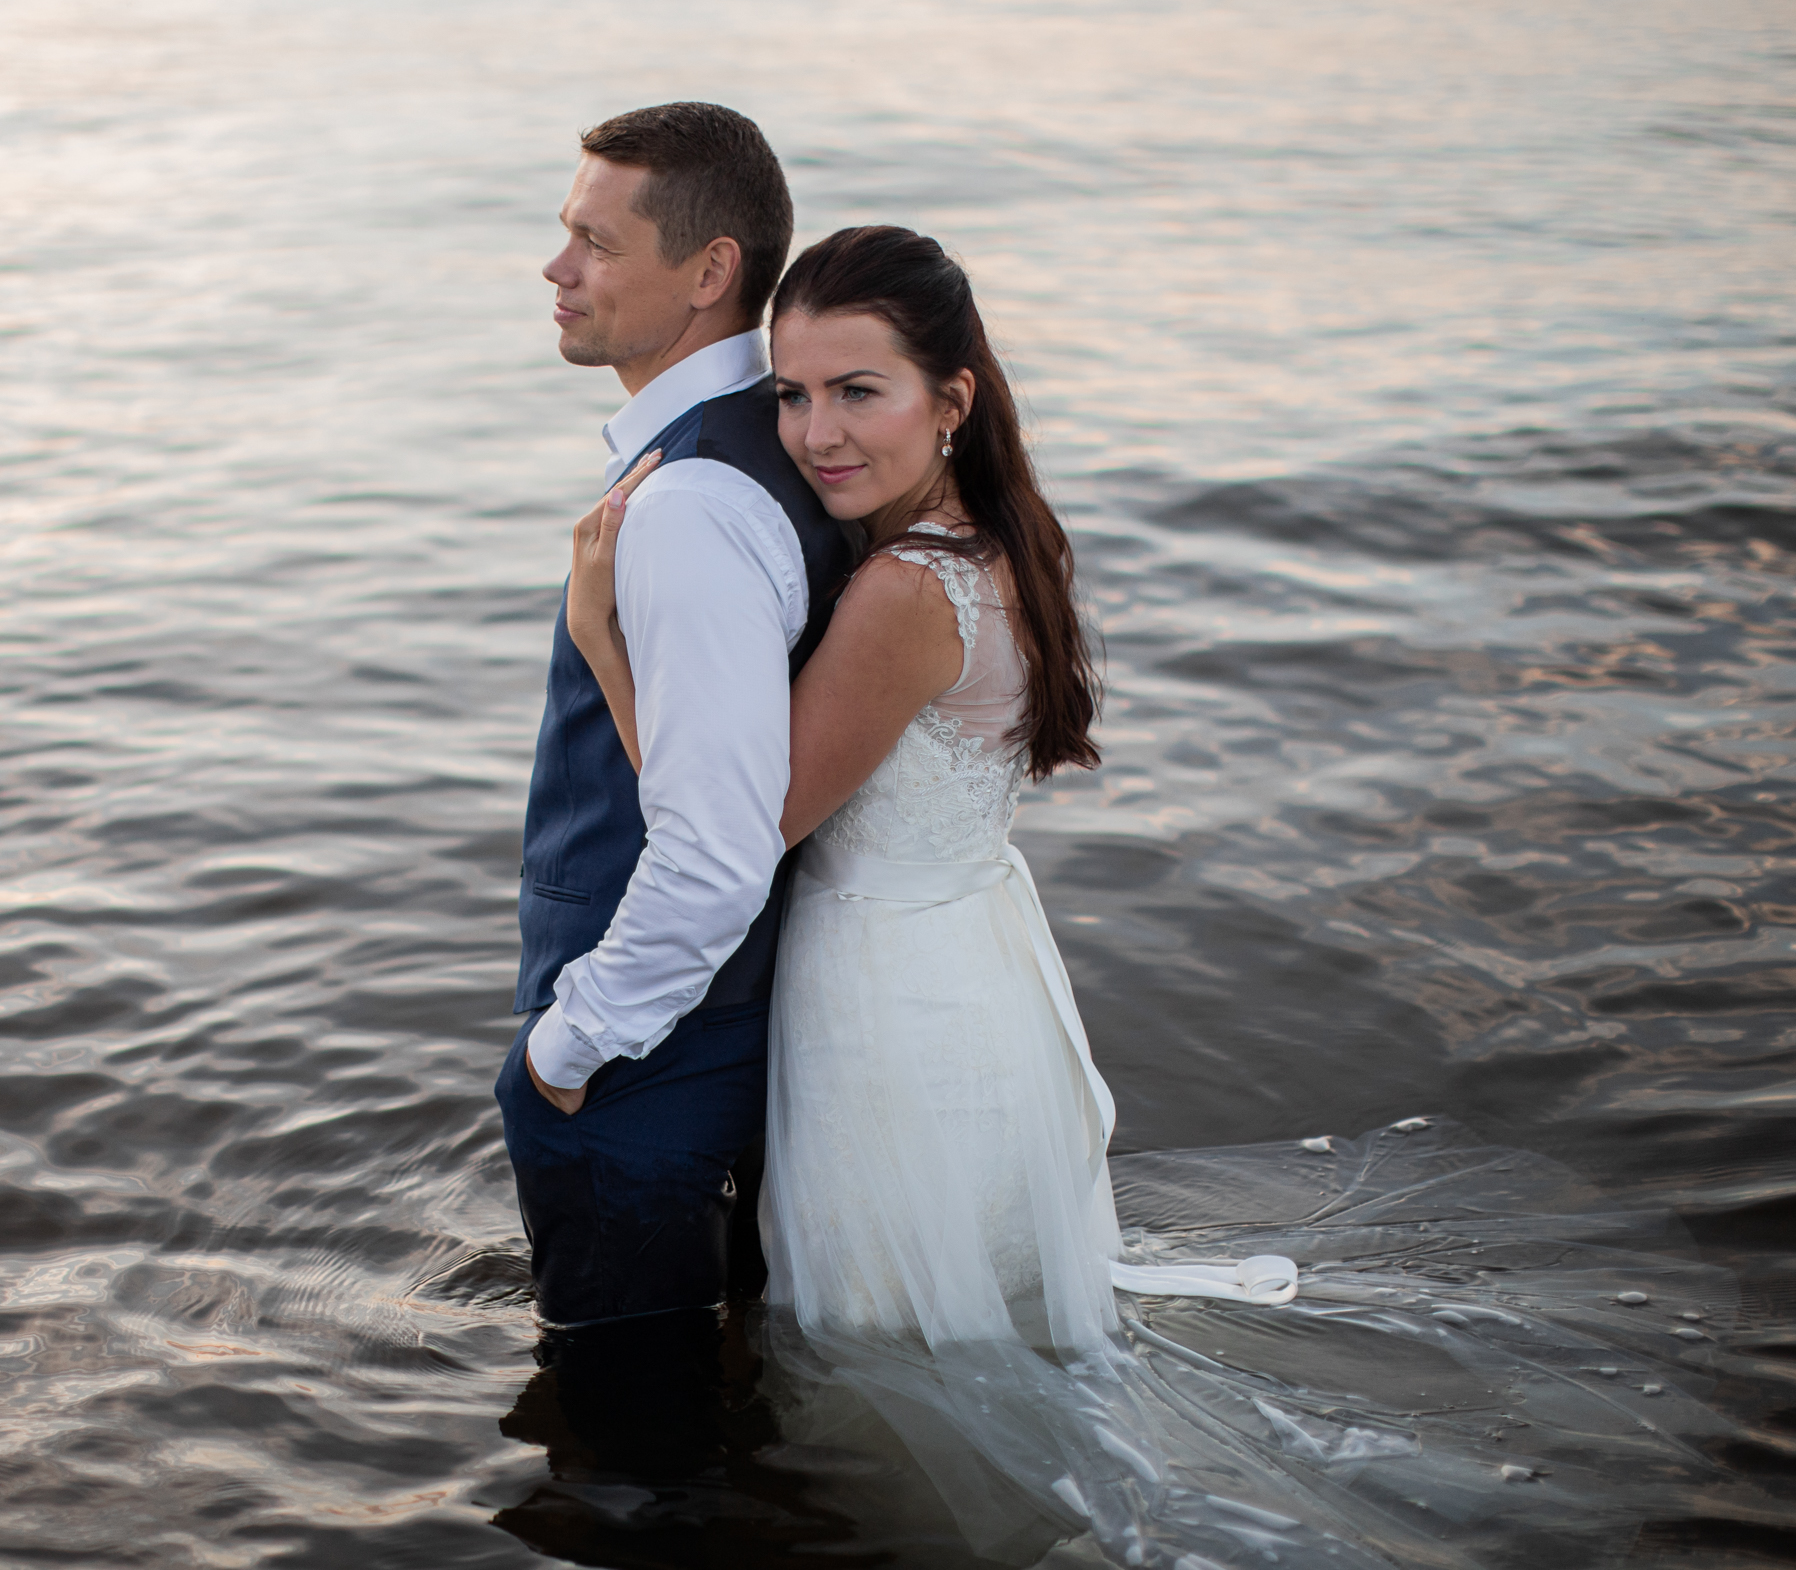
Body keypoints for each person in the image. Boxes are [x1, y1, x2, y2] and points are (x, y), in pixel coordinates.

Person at [560, 226, 1754, 1567]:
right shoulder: (994, 544)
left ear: (949, 399)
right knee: (965, 1316)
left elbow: (739, 827)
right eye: (789, 391)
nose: (815, 431)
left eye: (857, 390)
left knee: (888, 1346)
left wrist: (605, 639)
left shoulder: (901, 591)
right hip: (977, 964)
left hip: (892, 1005)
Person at [492, 102, 855, 1335]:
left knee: (623, 1460)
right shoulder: (778, 441)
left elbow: (712, 842)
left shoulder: (693, 501)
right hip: (722, 1031)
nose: (557, 269)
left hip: (644, 1067)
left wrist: (565, 1050)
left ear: (709, 272)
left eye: (595, 242)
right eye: (564, 235)